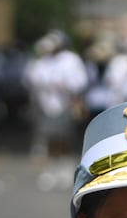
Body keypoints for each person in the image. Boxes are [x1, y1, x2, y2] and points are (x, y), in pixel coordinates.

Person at [23, 32, 88, 192]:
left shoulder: (71, 59)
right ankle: (52, 168)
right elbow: (31, 79)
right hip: (46, 104)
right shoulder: (41, 62)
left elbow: (80, 81)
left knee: (64, 136)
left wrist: (65, 85)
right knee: (49, 136)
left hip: (65, 103)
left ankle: (65, 168)